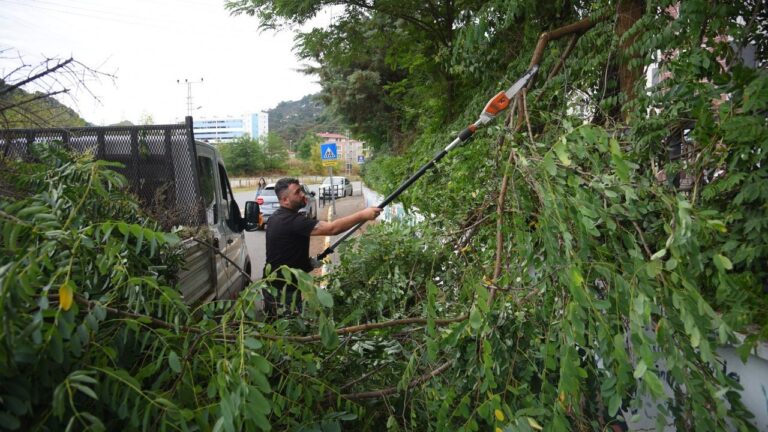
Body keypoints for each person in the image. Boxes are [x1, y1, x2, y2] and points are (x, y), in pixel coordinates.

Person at [263, 177, 382, 317]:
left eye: (301, 190)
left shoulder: (276, 218)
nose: (302, 194)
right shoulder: (292, 221)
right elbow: (332, 229)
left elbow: (282, 251)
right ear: (284, 200)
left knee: (275, 324)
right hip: (283, 290)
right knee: (288, 328)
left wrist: (307, 263)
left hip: (273, 284)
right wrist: (363, 215)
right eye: (297, 192)